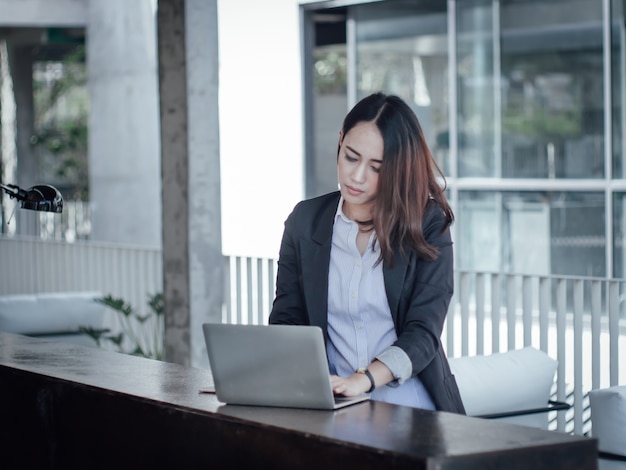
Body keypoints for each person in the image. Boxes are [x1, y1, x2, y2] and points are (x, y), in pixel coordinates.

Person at [269, 92, 465, 414]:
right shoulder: (304, 222)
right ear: (341, 140)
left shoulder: (427, 224)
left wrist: (364, 380)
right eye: (351, 157)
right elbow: (287, 318)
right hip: (334, 405)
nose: (357, 177)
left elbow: (423, 333)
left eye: (377, 167)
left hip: (413, 408)